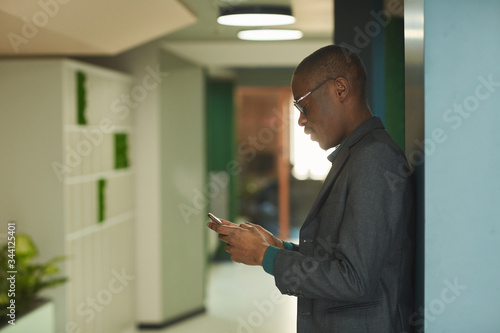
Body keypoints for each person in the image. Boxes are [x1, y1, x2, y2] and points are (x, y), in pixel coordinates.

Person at [207, 45, 415, 333]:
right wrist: (279, 247)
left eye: (303, 105)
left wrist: (265, 257)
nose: (302, 119)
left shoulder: (374, 159)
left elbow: (353, 279)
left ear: (340, 89)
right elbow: (340, 255)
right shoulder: (357, 155)